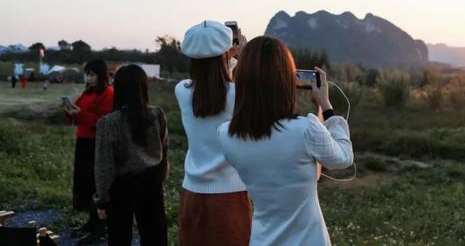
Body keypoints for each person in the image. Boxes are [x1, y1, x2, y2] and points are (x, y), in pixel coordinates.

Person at [218, 36, 354, 246]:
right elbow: (343, 159)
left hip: (262, 239)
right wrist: (326, 107)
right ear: (286, 79)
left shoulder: (226, 135)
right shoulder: (305, 129)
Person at [175, 20, 251, 246]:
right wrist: (241, 55)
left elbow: (211, 84)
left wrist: (228, 55)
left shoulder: (182, 90)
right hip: (231, 194)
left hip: (191, 193)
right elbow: (226, 82)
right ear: (227, 53)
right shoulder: (239, 94)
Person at [94, 64, 169, 246]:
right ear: (143, 87)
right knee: (155, 236)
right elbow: (164, 149)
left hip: (121, 185)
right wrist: (162, 176)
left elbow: (104, 164)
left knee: (119, 236)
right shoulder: (156, 114)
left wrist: (101, 199)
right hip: (152, 181)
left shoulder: (109, 122)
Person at [62, 59, 113, 245]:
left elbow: (103, 121)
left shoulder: (108, 93)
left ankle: (100, 228)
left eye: (92, 75)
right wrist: (69, 110)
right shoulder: (87, 92)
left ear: (101, 75)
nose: (89, 78)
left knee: (96, 185)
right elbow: (78, 110)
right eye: (87, 74)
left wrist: (80, 114)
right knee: (84, 183)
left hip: (97, 144)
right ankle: (91, 223)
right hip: (83, 140)